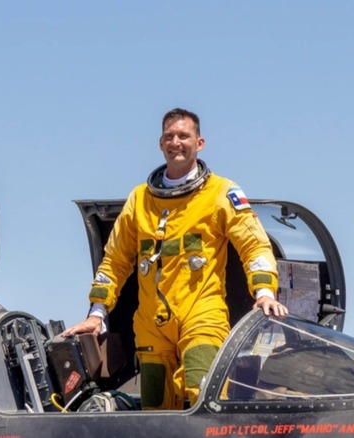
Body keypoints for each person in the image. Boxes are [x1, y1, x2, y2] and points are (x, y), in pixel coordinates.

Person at [62, 108, 288, 410]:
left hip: (202, 314)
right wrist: (96, 314)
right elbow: (114, 260)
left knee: (204, 394)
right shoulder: (140, 200)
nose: (176, 142)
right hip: (152, 323)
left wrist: (264, 293)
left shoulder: (221, 192)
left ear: (200, 143)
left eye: (184, 136)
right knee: (155, 408)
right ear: (160, 143)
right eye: (169, 136)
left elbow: (255, 245)